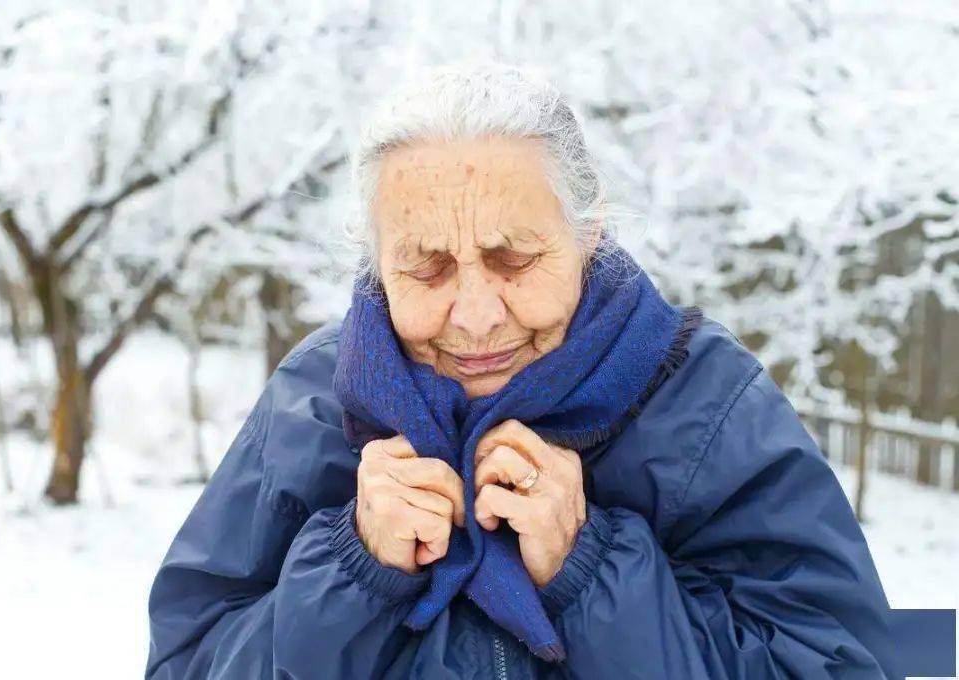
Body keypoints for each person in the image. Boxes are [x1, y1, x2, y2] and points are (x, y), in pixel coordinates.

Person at [144, 61, 897, 679]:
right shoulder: (310, 402)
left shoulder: (705, 403)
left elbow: (842, 664)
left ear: (588, 233)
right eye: (426, 266)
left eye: (514, 259)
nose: (474, 315)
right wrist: (350, 573)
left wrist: (595, 571)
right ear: (376, 263)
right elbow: (185, 661)